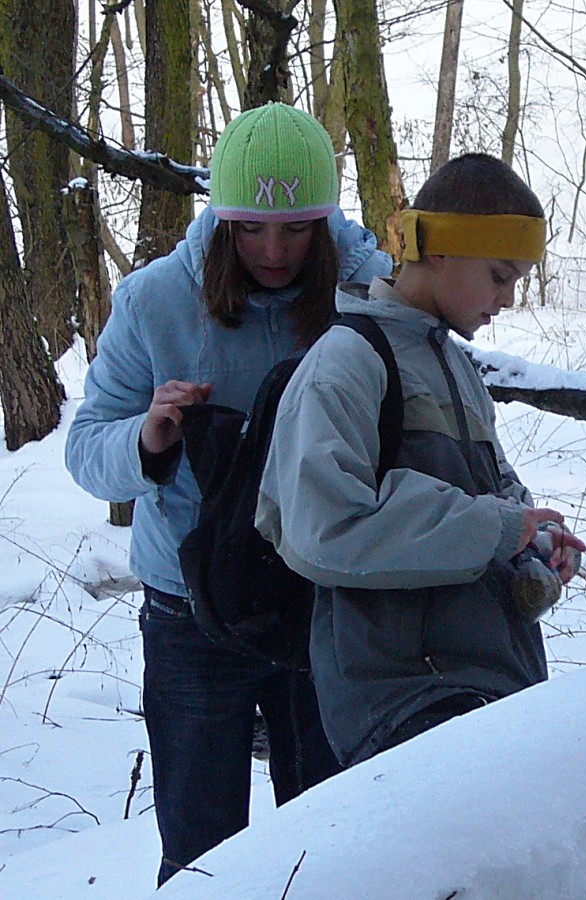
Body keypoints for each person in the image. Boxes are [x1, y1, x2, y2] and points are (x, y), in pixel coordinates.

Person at [65, 103, 393, 885]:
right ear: (219, 219)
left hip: (326, 598)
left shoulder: (371, 295)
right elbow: (85, 450)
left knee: (332, 839)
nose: (273, 251)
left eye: (296, 228)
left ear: (326, 220)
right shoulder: (153, 301)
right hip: (191, 613)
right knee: (200, 855)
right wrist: (149, 438)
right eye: (249, 228)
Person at [255, 152, 586, 768]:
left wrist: (535, 539)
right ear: (437, 250)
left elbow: (494, 496)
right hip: (401, 702)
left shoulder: (457, 365)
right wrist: (496, 529)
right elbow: (323, 530)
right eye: (499, 275)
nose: (507, 299)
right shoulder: (344, 363)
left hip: (490, 686)